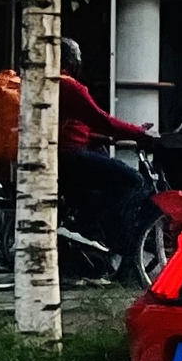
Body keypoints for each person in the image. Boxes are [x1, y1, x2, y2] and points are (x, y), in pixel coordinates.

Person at [56, 39, 160, 252]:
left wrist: (107, 139)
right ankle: (108, 233)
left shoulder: (48, 83)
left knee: (107, 174)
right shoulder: (68, 85)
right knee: (134, 181)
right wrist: (139, 132)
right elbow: (101, 120)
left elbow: (72, 128)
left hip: (63, 154)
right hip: (70, 156)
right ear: (72, 61)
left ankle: (90, 220)